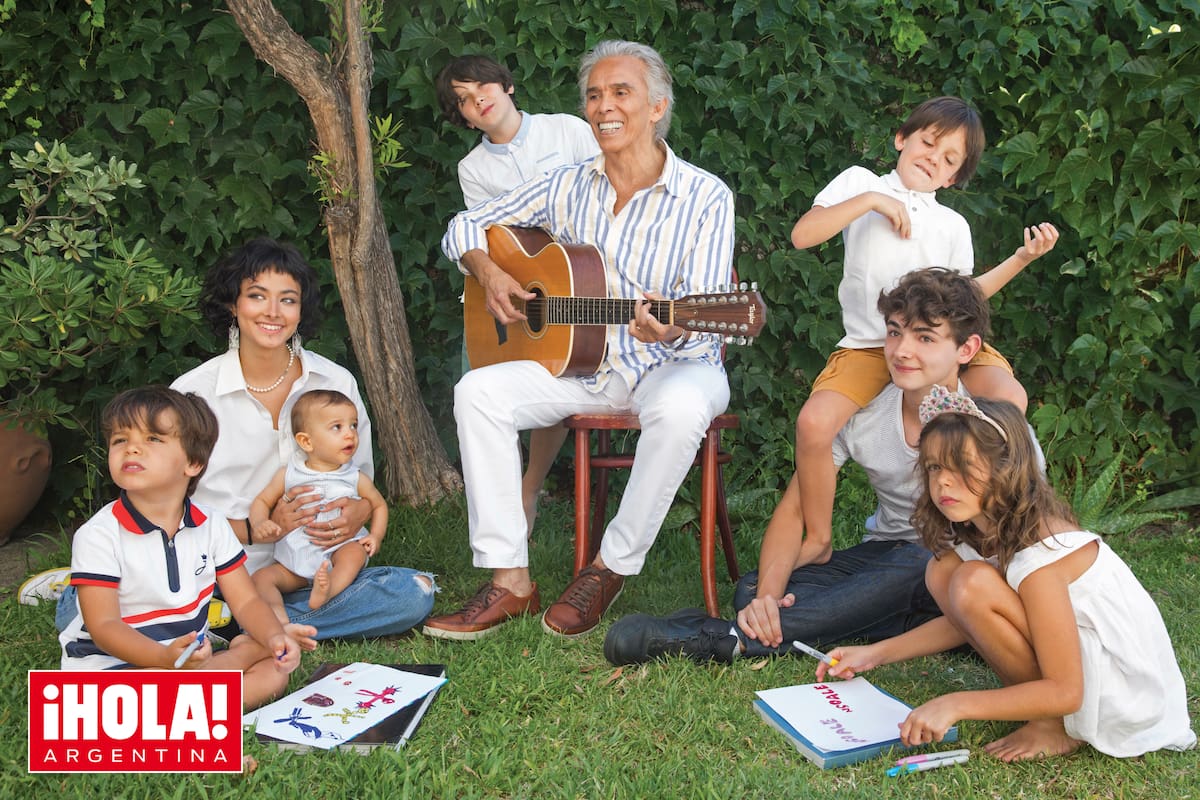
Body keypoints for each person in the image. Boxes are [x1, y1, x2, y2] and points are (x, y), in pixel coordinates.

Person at [424, 40, 734, 640]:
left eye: (622, 92)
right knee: (477, 392)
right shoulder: (567, 184)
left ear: (656, 106)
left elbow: (700, 304)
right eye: (594, 95)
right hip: (583, 366)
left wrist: (673, 323)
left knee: (682, 407)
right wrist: (489, 271)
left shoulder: (706, 196)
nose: (604, 106)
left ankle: (608, 567)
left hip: (673, 361)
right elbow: (463, 225)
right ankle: (508, 578)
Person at [604, 267, 995, 663]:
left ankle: (725, 637)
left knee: (923, 560)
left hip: (951, 566)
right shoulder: (862, 413)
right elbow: (794, 511)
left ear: (966, 349)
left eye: (925, 338)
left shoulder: (989, 424)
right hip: (885, 555)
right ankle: (902, 624)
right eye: (894, 332)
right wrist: (768, 598)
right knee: (755, 586)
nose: (901, 350)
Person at [813, 392, 1196, 762]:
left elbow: (1068, 691)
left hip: (1118, 698)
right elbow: (965, 621)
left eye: (961, 465)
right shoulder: (986, 531)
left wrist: (956, 704)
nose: (943, 482)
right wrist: (874, 654)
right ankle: (1038, 710)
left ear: (1006, 469)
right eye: (934, 467)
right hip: (1076, 670)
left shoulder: (1040, 553)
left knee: (970, 581)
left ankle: (1052, 725)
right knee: (943, 570)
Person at [790, 96, 1059, 568]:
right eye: (928, 143)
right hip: (873, 345)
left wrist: (1022, 259)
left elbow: (967, 298)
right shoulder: (861, 184)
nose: (934, 159)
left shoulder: (952, 223)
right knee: (813, 423)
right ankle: (818, 536)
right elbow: (803, 235)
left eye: (949, 159)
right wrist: (872, 201)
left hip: (942, 345)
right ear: (902, 138)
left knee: (1009, 399)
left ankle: (1001, 523)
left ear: (953, 178)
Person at [170, 237, 435, 639]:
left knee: (411, 593)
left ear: (301, 310)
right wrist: (258, 527)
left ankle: (245, 629)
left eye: (288, 300)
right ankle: (256, 623)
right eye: (257, 296)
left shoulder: (334, 382)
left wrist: (361, 513)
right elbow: (167, 513)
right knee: (102, 604)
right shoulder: (193, 394)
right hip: (218, 571)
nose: (273, 312)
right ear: (232, 304)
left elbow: (358, 476)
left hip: (312, 570)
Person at [58, 386, 313, 710]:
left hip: (186, 661)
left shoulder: (212, 525)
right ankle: (241, 656)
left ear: (193, 463)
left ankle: (237, 662)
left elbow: (247, 599)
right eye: (120, 440)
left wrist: (274, 636)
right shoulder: (98, 535)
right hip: (112, 672)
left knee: (275, 675)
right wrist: (164, 658)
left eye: (152, 439)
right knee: (153, 699)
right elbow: (104, 627)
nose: (131, 449)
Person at [436, 54, 600, 535]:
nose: (477, 101)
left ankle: (530, 487)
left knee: (557, 365)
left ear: (506, 85)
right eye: (463, 100)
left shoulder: (566, 130)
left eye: (481, 86)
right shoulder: (474, 169)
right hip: (520, 285)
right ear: (462, 116)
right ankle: (501, 510)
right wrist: (494, 278)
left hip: (585, 280)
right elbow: (492, 238)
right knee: (482, 385)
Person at [249, 389, 388, 619]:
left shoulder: (354, 477)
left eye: (353, 425)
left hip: (338, 550)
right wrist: (260, 521)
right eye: (337, 427)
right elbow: (262, 500)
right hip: (297, 556)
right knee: (261, 578)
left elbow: (379, 505)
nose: (350, 434)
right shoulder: (289, 474)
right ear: (306, 441)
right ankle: (278, 618)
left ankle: (328, 590)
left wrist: (375, 536)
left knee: (354, 554)